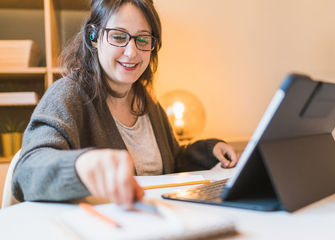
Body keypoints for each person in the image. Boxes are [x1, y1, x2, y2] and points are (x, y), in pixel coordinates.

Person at [12, 0, 238, 209]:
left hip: (154, 221)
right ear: (93, 37)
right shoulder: (68, 94)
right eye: (119, 37)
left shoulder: (147, 103)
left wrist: (210, 150)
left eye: (142, 39)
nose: (132, 52)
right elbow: (27, 172)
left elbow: (173, 162)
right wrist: (82, 165)